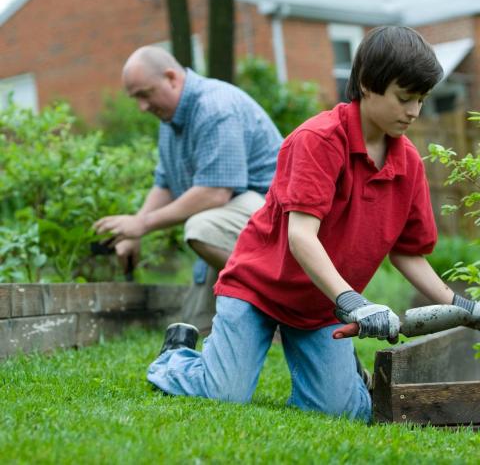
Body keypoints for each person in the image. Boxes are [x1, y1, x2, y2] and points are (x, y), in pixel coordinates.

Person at [145, 26, 480, 423]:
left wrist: (462, 307)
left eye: (421, 100)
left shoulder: (406, 164)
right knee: (224, 394)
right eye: (404, 98)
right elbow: (301, 235)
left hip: (321, 304)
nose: (414, 112)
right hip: (258, 289)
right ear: (368, 85)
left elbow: (406, 253)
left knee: (341, 412)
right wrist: (353, 301)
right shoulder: (317, 140)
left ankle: (346, 377)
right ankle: (177, 357)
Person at [94, 46, 283, 332]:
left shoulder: (214, 107)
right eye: (136, 99)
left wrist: (143, 224)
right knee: (194, 327)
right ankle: (253, 314)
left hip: (277, 221)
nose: (142, 107)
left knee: (202, 227)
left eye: (145, 94)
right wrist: (132, 231)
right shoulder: (170, 120)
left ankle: (281, 304)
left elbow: (214, 193)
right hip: (235, 222)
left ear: (171, 78)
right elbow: (165, 183)